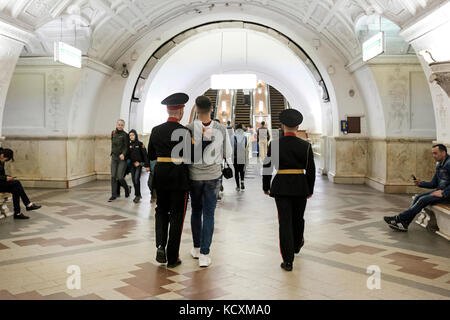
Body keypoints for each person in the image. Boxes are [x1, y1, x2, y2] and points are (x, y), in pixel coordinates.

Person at [262, 109, 315, 271]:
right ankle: (297, 244)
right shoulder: (306, 146)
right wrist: (310, 189)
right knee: (298, 218)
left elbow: (267, 166)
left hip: (282, 186)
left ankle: (288, 261)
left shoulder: (275, 144)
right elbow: (311, 170)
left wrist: (266, 186)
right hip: (300, 186)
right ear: (298, 126)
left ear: (283, 125)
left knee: (284, 222)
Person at [187, 96, 232, 267]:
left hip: (194, 177)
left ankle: (197, 248)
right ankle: (205, 255)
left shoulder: (190, 128)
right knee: (209, 214)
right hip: (213, 176)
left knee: (196, 212)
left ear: (197, 110)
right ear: (211, 108)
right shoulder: (221, 128)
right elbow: (228, 153)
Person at [147, 92, 191, 268]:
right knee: (177, 216)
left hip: (161, 175)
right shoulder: (185, 132)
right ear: (180, 111)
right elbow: (190, 156)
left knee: (161, 211)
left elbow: (150, 155)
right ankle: (173, 257)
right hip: (179, 176)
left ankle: (160, 245)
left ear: (167, 110)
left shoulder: (156, 130)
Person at [384, 144, 450, 232]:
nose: (433, 156)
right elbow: (433, 183)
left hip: (447, 195)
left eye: (435, 153)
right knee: (418, 197)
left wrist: (443, 193)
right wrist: (420, 183)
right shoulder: (439, 165)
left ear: (443, 153)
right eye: (433, 153)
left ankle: (398, 218)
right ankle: (405, 224)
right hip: (440, 192)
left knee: (423, 200)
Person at [0, 148, 41, 219]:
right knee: (17, 183)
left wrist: (7, 177)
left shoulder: (2, 160)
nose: (4, 161)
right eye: (5, 159)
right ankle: (28, 205)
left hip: (1, 183)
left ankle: (17, 213)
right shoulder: (1, 160)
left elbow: (1, 174)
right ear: (2, 155)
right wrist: (5, 178)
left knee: (16, 189)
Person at [109, 119, 131, 202]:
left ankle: (127, 188)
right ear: (116, 124)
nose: (120, 126)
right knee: (113, 176)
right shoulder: (113, 133)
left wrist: (123, 154)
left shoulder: (125, 135)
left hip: (122, 159)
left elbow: (126, 147)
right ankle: (113, 195)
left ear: (123, 126)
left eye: (122, 125)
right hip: (114, 158)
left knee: (120, 177)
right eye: (119, 124)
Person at [127, 129, 150, 203]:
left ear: (135, 135)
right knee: (134, 180)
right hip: (132, 165)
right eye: (130, 135)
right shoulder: (129, 145)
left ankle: (137, 196)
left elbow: (145, 155)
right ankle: (138, 194)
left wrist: (146, 166)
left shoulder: (140, 144)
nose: (131, 137)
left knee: (136, 179)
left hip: (138, 165)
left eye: (133, 135)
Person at [233, 123, 248, 191]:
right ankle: (242, 181)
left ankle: (238, 186)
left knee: (236, 171)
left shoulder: (234, 136)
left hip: (236, 156)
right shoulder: (244, 137)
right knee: (242, 170)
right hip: (242, 155)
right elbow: (245, 145)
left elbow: (234, 146)